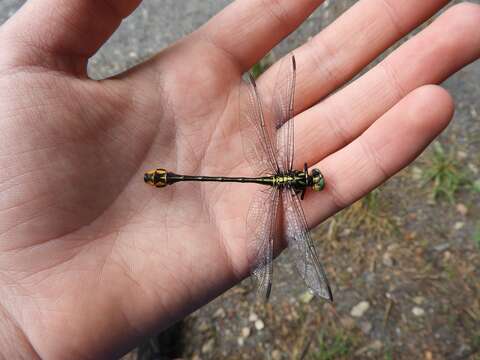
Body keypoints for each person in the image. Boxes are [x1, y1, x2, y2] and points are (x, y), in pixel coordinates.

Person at [0, 0, 478, 358]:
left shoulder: (284, 178)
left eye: (309, 179)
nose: (312, 180)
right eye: (311, 179)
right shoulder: (288, 184)